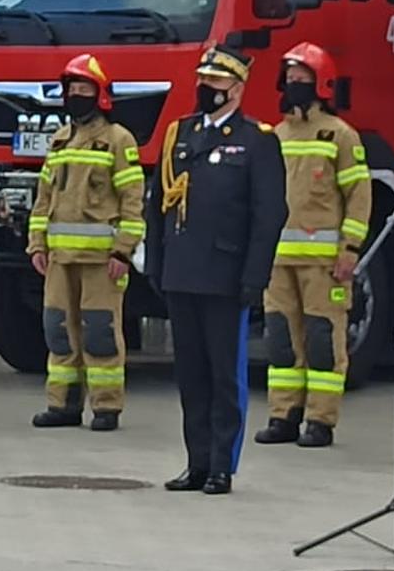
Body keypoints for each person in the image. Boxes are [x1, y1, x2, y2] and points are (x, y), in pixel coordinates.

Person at [154, 44, 286, 495]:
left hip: (226, 275)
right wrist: (157, 265)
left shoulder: (256, 140)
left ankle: (221, 466)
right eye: (203, 80)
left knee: (224, 374)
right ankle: (196, 461)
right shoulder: (181, 134)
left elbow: (269, 215)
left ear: (237, 87)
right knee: (190, 374)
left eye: (215, 81)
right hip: (183, 271)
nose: (205, 87)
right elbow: (159, 206)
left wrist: (255, 276)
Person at [254, 43, 371, 449]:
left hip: (324, 264)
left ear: (320, 84)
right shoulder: (275, 136)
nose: (294, 84)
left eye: (302, 78)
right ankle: (283, 415)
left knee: (323, 342)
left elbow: (359, 195)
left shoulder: (340, 135)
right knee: (282, 342)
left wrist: (350, 248)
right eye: (289, 77)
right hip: (279, 262)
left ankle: (321, 421)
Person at [25, 54, 146, 432]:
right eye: (72, 89)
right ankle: (61, 405)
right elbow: (44, 197)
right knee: (59, 330)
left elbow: (132, 199)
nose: (76, 95)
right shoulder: (60, 140)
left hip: (101, 261)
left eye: (84, 89)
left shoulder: (118, 140)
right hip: (59, 259)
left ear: (101, 95)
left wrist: (124, 250)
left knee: (100, 332)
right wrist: (36, 244)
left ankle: (106, 407)